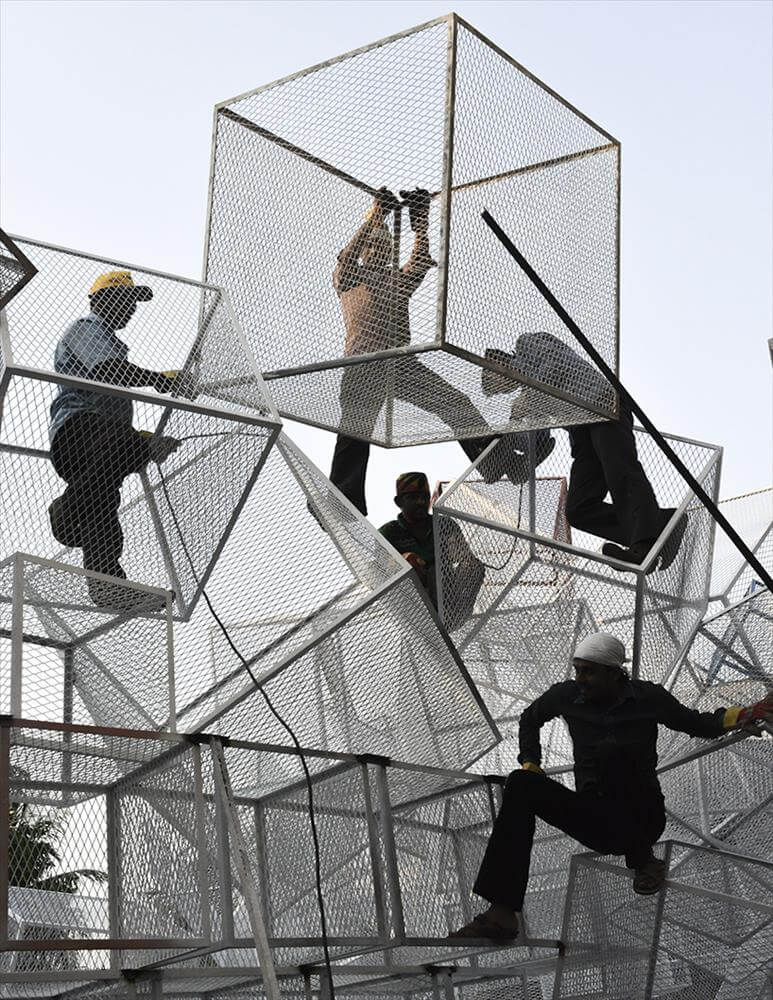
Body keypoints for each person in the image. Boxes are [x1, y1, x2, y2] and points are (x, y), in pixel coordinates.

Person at [449, 632, 773, 941]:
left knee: (612, 752)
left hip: (642, 819)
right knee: (521, 783)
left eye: (588, 672)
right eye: (577, 670)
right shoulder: (567, 696)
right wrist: (532, 764)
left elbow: (698, 723)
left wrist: (743, 714)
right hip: (596, 819)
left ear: (615, 674)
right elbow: (529, 718)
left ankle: (643, 859)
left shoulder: (648, 698)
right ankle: (501, 914)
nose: (580, 679)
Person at [328, 187, 497, 516]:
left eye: (385, 246)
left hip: (402, 365)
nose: (379, 251)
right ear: (365, 250)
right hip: (364, 365)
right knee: (354, 433)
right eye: (374, 246)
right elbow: (346, 257)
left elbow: (418, 263)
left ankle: (492, 461)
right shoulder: (351, 277)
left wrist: (420, 222)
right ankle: (343, 500)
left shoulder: (395, 280)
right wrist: (374, 217)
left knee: (454, 402)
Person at [48, 270, 191, 609]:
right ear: (102, 300)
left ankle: (107, 586)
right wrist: (160, 380)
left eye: (133, 303)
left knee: (101, 512)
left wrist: (139, 442)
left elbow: (111, 401)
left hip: (99, 440)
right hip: (78, 429)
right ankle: (66, 509)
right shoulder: (87, 328)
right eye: (125, 300)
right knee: (102, 491)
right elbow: (107, 371)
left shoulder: (105, 338)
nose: (131, 309)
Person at [482, 333, 686, 571]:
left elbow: (558, 363)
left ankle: (645, 543)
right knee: (578, 509)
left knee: (620, 471)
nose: (505, 392)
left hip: (601, 404)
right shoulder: (528, 389)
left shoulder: (527, 343)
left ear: (496, 364)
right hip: (581, 432)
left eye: (498, 387)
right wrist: (510, 440)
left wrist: (530, 393)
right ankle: (658, 525)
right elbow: (540, 439)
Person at [379, 471, 484, 630]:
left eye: (424, 497)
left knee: (473, 567)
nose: (421, 502)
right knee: (415, 564)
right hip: (414, 605)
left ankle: (453, 617)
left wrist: (461, 554)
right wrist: (400, 560)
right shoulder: (389, 532)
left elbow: (463, 557)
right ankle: (433, 619)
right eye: (413, 497)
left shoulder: (443, 523)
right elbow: (376, 570)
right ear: (399, 501)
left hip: (448, 596)